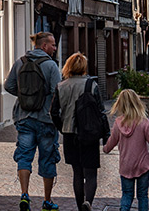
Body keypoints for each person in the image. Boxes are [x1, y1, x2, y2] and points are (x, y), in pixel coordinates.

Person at [5, 32, 63, 211]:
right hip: (46, 119)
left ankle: (24, 195)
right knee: (48, 159)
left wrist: (25, 96)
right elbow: (58, 91)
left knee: (24, 156)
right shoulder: (51, 65)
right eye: (52, 45)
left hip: (24, 117)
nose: (54, 48)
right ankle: (47, 200)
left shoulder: (20, 62)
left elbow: (9, 86)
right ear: (44, 46)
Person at [51, 53, 110, 211]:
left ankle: (80, 206)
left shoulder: (61, 86)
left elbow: (54, 112)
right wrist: (106, 135)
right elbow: (101, 112)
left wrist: (62, 127)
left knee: (77, 172)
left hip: (70, 133)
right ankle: (88, 203)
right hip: (89, 133)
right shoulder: (92, 85)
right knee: (90, 173)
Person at [103, 89, 149, 211]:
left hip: (126, 166)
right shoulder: (143, 121)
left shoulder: (118, 123)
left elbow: (109, 145)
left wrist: (104, 148)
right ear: (137, 102)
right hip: (143, 166)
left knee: (126, 195)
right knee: (142, 196)